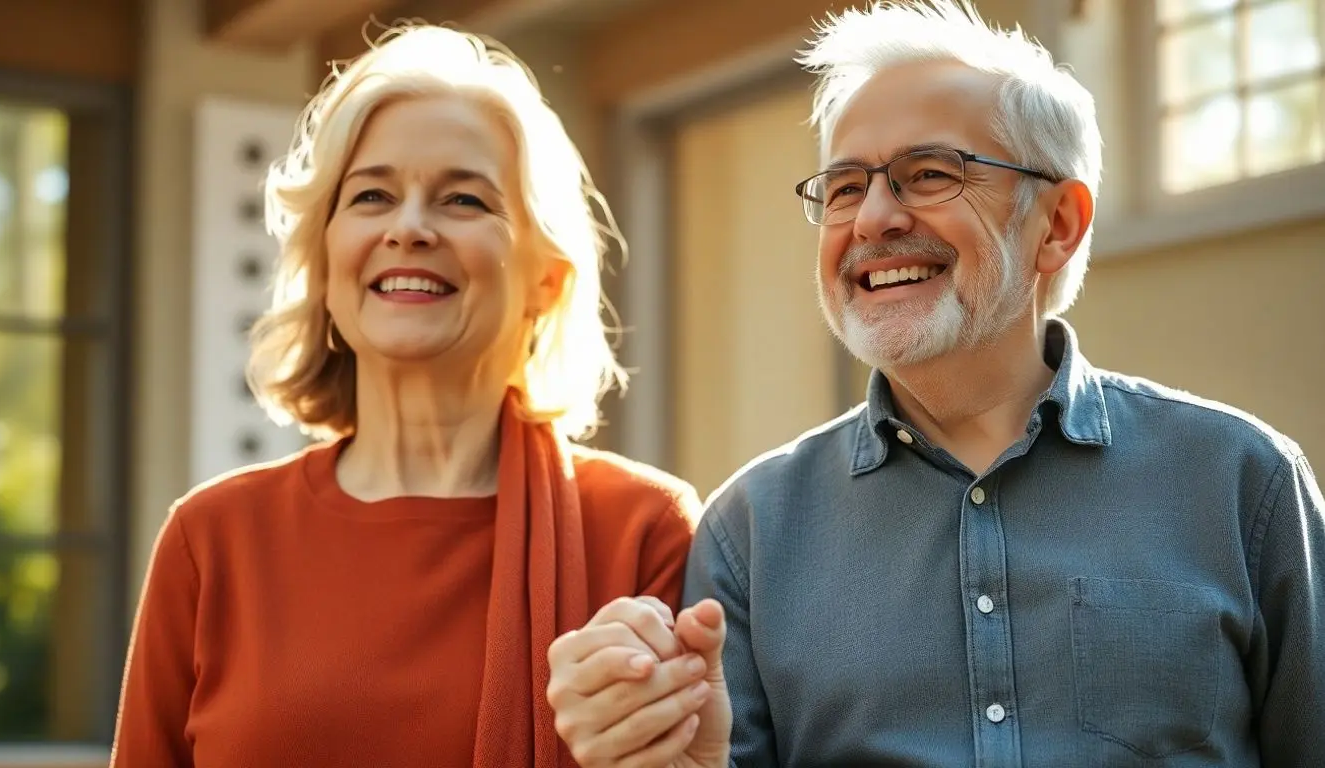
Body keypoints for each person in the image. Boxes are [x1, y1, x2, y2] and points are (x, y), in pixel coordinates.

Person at [544, 1, 1325, 766]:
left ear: (1057, 225)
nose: (874, 218)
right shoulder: (749, 531)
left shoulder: (1242, 484)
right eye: (845, 187)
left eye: (929, 173)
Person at [110, 22, 700, 768]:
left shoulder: (643, 529)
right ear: (325, 265)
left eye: (463, 200)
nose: (410, 228)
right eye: (372, 196)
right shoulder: (210, 539)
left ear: (544, 279)